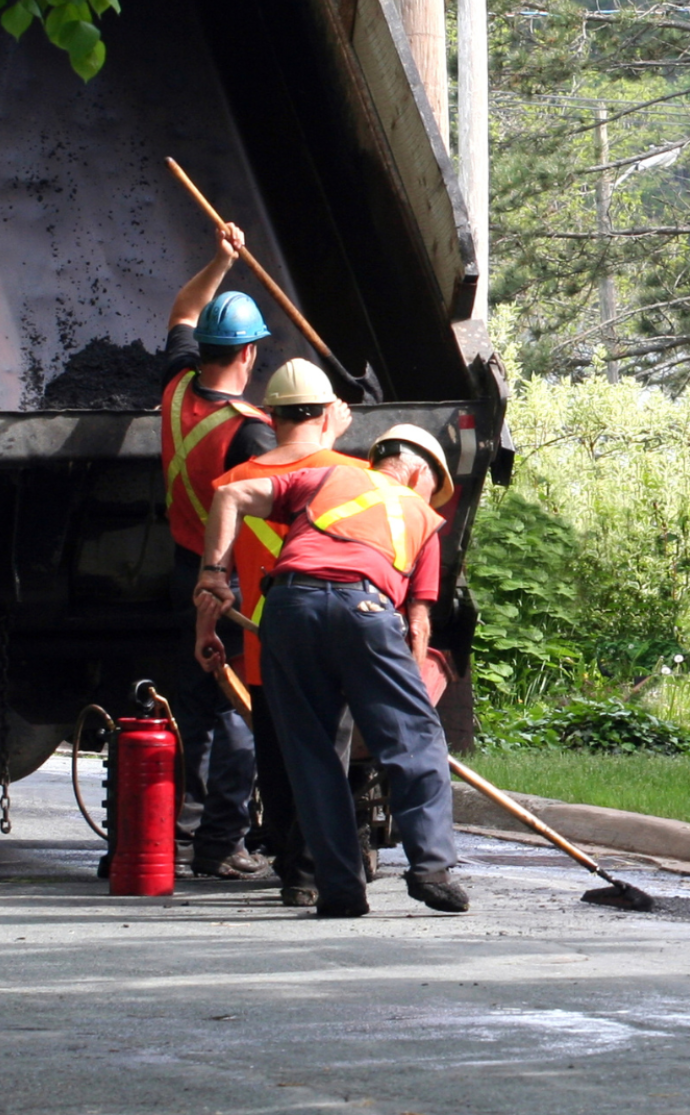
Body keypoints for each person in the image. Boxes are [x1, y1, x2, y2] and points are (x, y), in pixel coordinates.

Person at [194, 425, 466, 918]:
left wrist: (215, 575)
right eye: (434, 489)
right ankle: (430, 869)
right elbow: (417, 623)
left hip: (287, 611)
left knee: (312, 757)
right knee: (416, 741)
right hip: (364, 608)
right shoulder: (423, 518)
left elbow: (230, 494)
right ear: (418, 470)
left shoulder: (322, 479)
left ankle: (339, 890)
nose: (433, 500)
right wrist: (408, 698)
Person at [201, 357, 362, 907]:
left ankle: (292, 868)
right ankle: (313, 871)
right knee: (328, 754)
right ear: (324, 415)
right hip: (334, 636)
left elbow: (212, 577)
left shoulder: (236, 483)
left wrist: (207, 631)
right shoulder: (350, 474)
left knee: (278, 758)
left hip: (264, 643)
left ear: (269, 419)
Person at [159, 222, 273, 879]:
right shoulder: (251, 437)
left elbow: (183, 309)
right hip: (225, 584)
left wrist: (220, 261)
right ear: (251, 355)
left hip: (181, 566)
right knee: (237, 714)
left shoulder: (175, 389)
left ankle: (179, 835)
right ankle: (221, 844)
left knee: (194, 709)